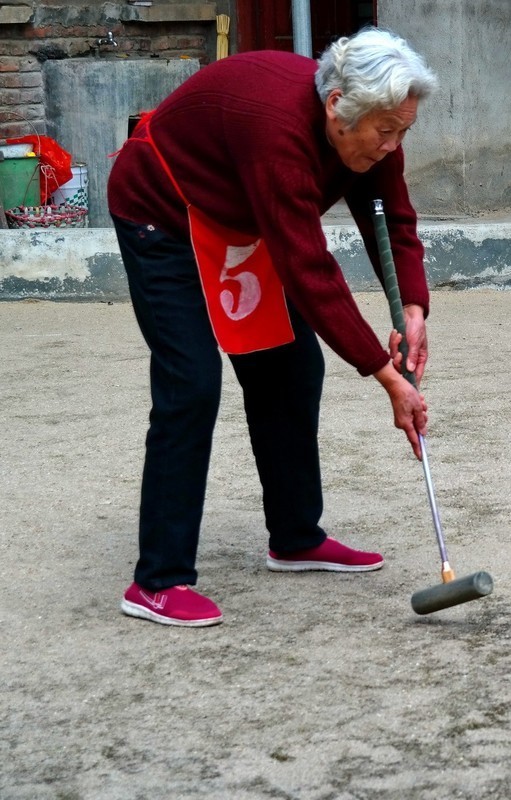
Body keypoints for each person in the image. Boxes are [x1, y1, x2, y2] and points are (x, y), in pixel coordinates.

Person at [108, 28, 438, 626]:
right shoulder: (278, 133)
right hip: (163, 211)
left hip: (239, 214)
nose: (393, 145)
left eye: (403, 131)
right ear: (336, 107)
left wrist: (411, 307)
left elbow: (392, 217)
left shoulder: (375, 126)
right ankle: (157, 580)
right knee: (192, 383)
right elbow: (309, 269)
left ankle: (295, 537)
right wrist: (386, 375)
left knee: (289, 366)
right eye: (385, 132)